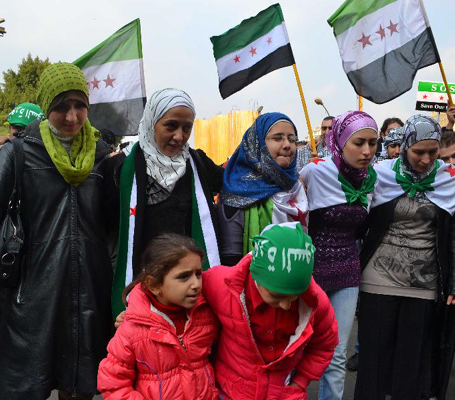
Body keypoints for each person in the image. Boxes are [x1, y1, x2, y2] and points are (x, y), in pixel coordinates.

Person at [0, 62, 118, 400]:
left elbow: (115, 228)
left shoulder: (100, 156)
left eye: (79, 105)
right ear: (46, 107)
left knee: (80, 385)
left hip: (87, 301)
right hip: (28, 302)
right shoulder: (19, 152)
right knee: (27, 388)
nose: (72, 117)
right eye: (60, 107)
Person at [356, 115, 455, 400]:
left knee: (412, 360)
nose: (426, 159)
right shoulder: (380, 173)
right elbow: (359, 223)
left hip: (424, 281)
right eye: (419, 151)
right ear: (405, 146)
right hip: (378, 277)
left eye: (433, 152)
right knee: (375, 358)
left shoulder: (450, 179)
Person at [112, 88, 223, 319]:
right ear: (152, 122)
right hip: (144, 293)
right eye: (171, 126)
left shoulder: (198, 163)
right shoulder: (121, 169)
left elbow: (235, 181)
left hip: (189, 293)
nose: (179, 136)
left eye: (187, 127)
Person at [202, 222, 339, 400]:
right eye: (276, 296)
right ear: (257, 277)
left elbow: (325, 344)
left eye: (294, 296)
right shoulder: (221, 285)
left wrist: (300, 382)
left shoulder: (315, 302)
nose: (286, 305)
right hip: (231, 392)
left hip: (285, 394)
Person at [299, 110, 378, 400]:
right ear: (341, 140)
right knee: (297, 347)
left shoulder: (373, 179)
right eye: (359, 142)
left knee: (337, 352)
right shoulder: (315, 171)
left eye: (373, 142)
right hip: (308, 275)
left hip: (347, 273)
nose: (367, 151)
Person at [98, 234, 219, 399]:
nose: (196, 284)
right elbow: (113, 383)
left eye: (198, 274)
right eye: (183, 277)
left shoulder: (207, 314)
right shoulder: (132, 330)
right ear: (154, 285)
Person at [218, 112, 308, 266]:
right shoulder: (238, 191)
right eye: (277, 138)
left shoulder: (297, 187)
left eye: (292, 139)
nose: (287, 145)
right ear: (257, 143)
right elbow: (230, 262)